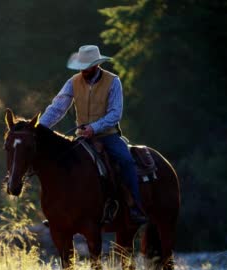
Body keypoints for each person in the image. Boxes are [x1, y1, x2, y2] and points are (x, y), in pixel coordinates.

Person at [39, 45, 148, 225]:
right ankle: (60, 210)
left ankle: (135, 207)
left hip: (108, 135)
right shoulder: (73, 82)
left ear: (97, 65)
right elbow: (57, 108)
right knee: (61, 164)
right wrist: (40, 128)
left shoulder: (113, 81)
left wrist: (94, 128)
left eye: (87, 66)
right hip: (82, 137)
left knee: (126, 160)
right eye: (82, 66)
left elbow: (115, 113)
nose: (84, 70)